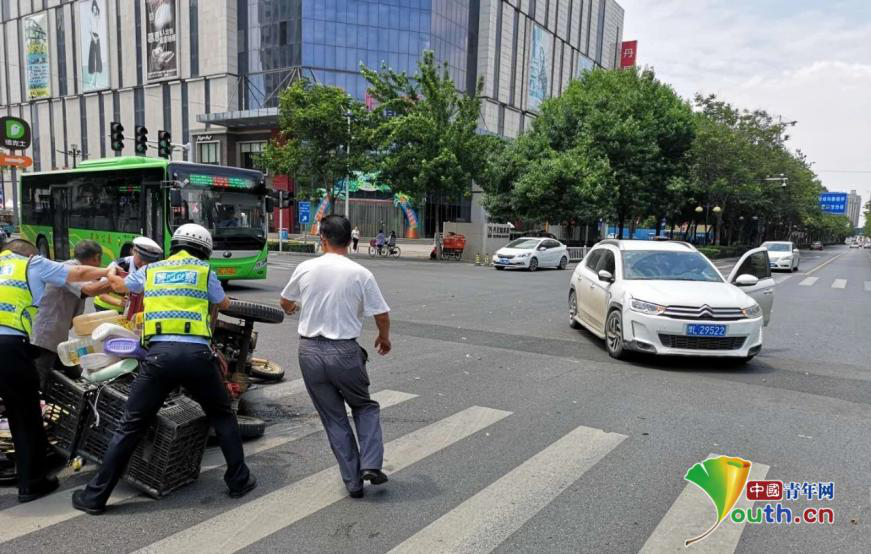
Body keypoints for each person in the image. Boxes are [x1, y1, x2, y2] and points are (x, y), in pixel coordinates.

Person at [72, 224, 255, 515]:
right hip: (197, 357)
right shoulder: (205, 272)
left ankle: (95, 497)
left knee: (131, 425)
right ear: (204, 250)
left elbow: (120, 286)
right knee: (221, 415)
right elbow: (222, 302)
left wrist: (110, 272)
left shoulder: (151, 271)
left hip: (158, 358)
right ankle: (238, 480)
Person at [280, 215, 392, 498]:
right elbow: (381, 313)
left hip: (309, 352)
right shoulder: (360, 274)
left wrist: (293, 308)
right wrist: (383, 337)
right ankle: (370, 463)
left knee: (334, 419)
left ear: (322, 238)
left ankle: (353, 483)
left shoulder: (306, 267)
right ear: (350, 240)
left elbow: (285, 301)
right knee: (364, 407)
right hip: (344, 352)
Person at [0, 239, 110, 503]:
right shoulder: (32, 264)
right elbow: (83, 277)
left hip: (24, 343)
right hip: (13, 345)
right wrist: (111, 273)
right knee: (25, 415)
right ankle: (32, 483)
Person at [31, 240, 112, 386]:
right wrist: (119, 281)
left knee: (74, 373)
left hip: (58, 335)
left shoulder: (71, 267)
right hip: (46, 335)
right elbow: (90, 290)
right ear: (97, 257)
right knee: (39, 379)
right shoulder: (70, 269)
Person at [94, 236, 163, 313]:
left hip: (129, 313)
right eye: (141, 258)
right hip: (105, 308)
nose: (143, 263)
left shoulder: (153, 269)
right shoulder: (119, 265)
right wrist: (120, 302)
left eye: (148, 261)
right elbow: (101, 293)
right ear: (133, 251)